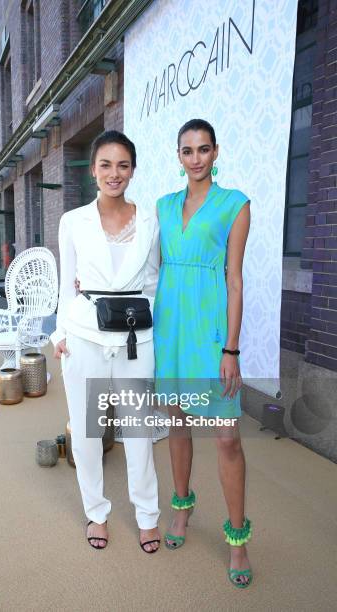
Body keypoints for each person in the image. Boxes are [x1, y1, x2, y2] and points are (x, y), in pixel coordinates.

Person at [153, 119, 252, 587]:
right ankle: (181, 508)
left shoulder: (235, 205)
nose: (196, 158)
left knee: (227, 437)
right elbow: (146, 263)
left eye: (203, 149)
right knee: (178, 424)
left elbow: (235, 280)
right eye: (187, 150)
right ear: (178, 156)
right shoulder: (163, 207)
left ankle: (238, 539)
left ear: (216, 153)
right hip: (171, 329)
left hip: (210, 331)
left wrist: (230, 348)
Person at [51, 130, 161, 553]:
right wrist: (60, 333)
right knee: (86, 432)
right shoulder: (72, 221)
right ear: (93, 169)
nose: (114, 173)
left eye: (123, 165)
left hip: (136, 338)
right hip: (83, 338)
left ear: (132, 169)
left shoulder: (150, 221)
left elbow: (151, 282)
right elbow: (67, 286)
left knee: (138, 431)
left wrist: (149, 328)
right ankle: (97, 512)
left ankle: (147, 516)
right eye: (105, 164)